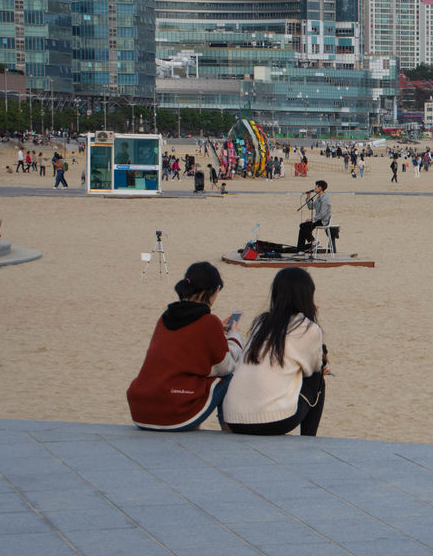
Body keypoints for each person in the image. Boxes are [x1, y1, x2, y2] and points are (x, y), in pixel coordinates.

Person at [127, 262, 243, 431]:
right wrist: (234, 338)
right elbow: (225, 366)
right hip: (175, 414)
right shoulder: (209, 322)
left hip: (141, 410)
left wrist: (217, 333)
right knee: (227, 379)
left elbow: (184, 354)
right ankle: (227, 431)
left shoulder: (165, 317)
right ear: (213, 290)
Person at [223, 267, 328, 436]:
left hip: (235, 419)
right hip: (273, 420)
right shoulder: (308, 327)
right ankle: (310, 439)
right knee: (318, 380)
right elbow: (314, 368)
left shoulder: (261, 322)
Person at [297, 180, 331, 250]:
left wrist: (312, 219)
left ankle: (313, 241)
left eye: (316, 186)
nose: (314, 188)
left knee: (303, 226)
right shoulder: (319, 198)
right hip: (318, 219)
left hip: (323, 221)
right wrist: (308, 198)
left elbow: (323, 214)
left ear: (320, 188)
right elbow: (311, 207)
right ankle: (300, 249)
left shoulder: (325, 199)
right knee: (303, 226)